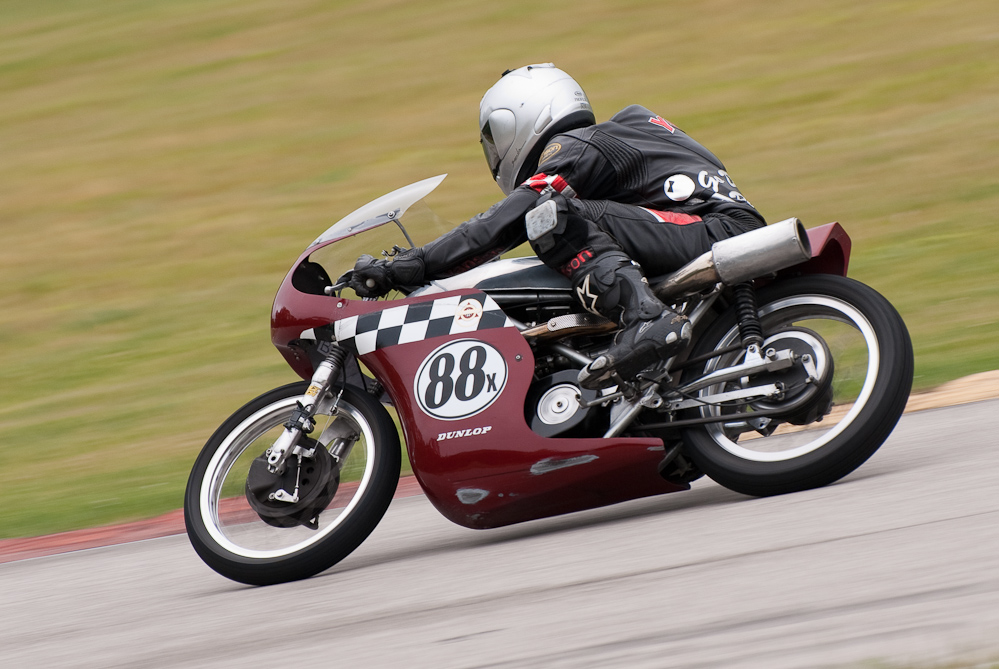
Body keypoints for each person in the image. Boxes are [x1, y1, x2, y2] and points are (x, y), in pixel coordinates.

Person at [349, 63, 766, 389]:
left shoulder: (579, 144)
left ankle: (645, 319)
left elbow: (506, 219)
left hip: (712, 232)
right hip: (713, 229)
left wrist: (416, 262)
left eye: (496, 135)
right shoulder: (626, 132)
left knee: (549, 214)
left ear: (520, 116)